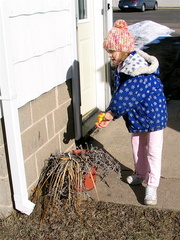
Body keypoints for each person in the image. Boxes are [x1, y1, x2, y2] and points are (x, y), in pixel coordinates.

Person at [96, 19, 168, 206]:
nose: (110, 56)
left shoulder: (137, 70)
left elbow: (126, 96)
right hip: (139, 113)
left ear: (122, 49)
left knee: (153, 149)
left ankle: (152, 184)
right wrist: (110, 111)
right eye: (108, 52)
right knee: (137, 143)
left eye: (112, 51)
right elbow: (120, 93)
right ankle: (140, 174)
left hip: (154, 114)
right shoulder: (122, 65)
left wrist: (111, 114)